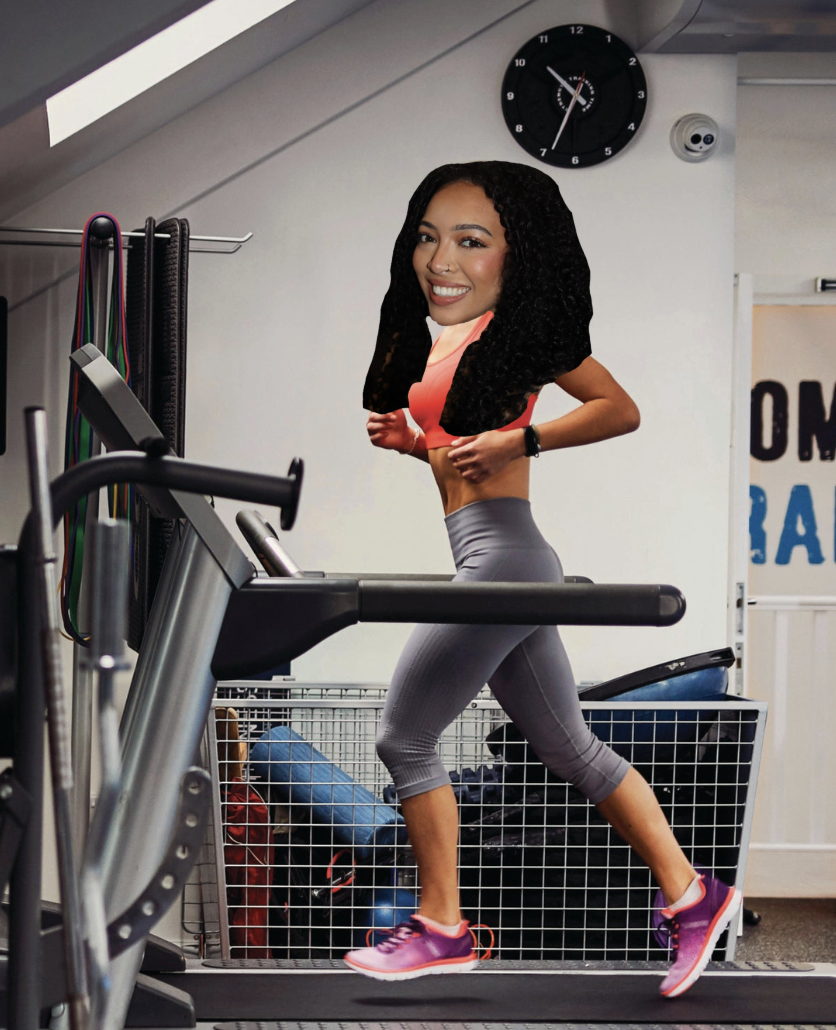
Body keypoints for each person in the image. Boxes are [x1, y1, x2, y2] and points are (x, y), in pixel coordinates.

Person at [347, 161, 741, 997]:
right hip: (492, 551)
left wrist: (524, 443)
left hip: (506, 558)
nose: (439, 258)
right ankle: (694, 895)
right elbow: (465, 455)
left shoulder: (527, 334)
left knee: (403, 736)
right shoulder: (451, 334)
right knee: (573, 750)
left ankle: (442, 925)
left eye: (469, 240)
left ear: (515, 255)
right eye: (428, 237)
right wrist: (414, 444)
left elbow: (619, 409)